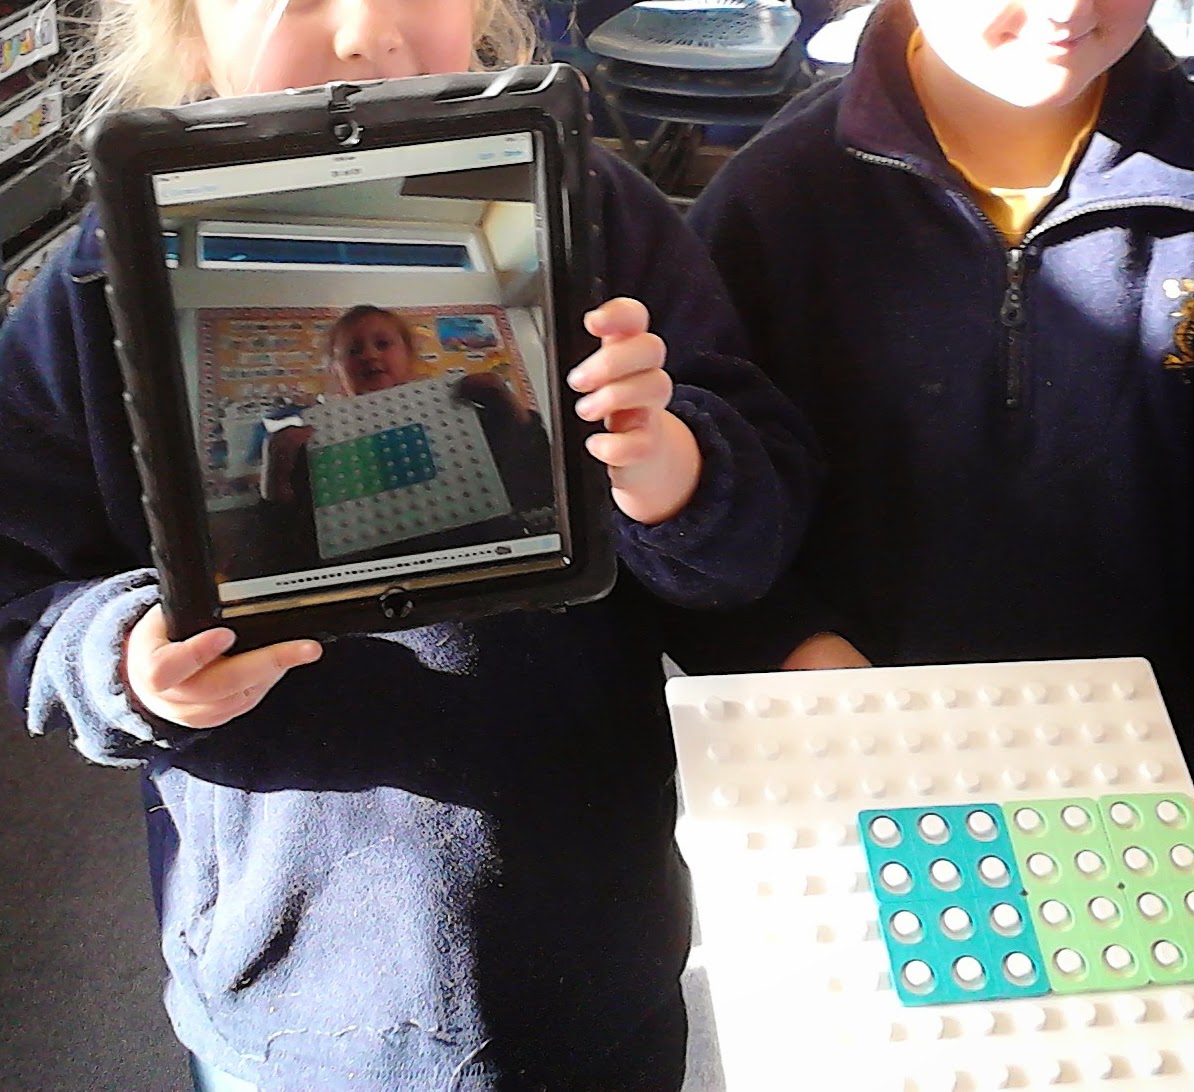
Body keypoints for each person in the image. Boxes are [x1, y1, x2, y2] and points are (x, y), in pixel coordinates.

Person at [0, 1, 821, 1089]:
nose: (365, 35)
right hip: (287, 992)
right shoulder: (101, 281)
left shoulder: (596, 215)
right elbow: (21, 580)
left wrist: (675, 469)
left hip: (590, 940)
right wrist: (122, 658)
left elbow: (753, 528)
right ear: (186, 25)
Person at [678, 0, 1194, 1023]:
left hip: (1150, 803)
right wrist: (823, 677)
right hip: (851, 782)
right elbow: (707, 527)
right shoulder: (771, 207)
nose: (1068, 8)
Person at [257, 305, 558, 572]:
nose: (370, 355)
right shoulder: (313, 449)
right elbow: (291, 558)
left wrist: (512, 412)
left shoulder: (467, 417)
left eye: (383, 344)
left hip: (485, 569)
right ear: (336, 370)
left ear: (409, 355)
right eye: (353, 351)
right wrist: (274, 483)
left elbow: (538, 488)